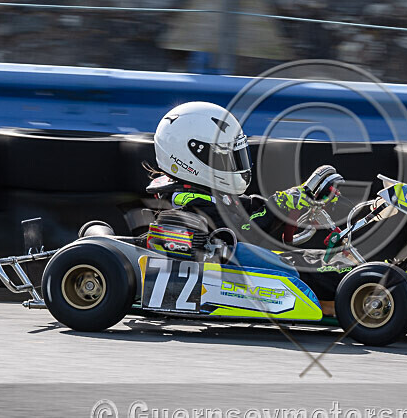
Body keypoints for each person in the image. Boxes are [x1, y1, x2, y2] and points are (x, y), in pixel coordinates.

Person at [148, 101, 348, 315]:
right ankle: (358, 287)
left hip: (241, 259)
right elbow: (241, 234)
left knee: (328, 261)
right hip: (231, 264)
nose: (233, 163)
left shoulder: (206, 194)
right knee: (319, 269)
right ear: (193, 157)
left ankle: (356, 278)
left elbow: (249, 210)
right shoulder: (189, 203)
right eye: (225, 156)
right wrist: (279, 205)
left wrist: (295, 200)